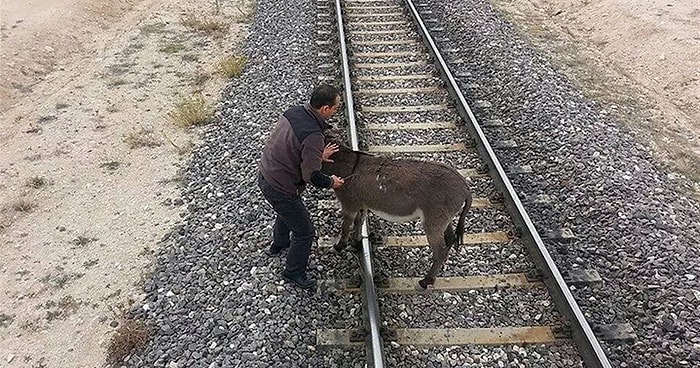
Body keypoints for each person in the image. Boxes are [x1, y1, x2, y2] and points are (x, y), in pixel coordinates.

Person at [257, 84, 345, 290]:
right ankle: (293, 272)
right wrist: (332, 181)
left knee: (286, 212)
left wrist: (315, 155)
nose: (336, 110)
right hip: (280, 186)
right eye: (335, 107)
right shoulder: (313, 136)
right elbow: (312, 176)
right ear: (324, 109)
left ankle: (279, 244)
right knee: (305, 231)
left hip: (266, 174)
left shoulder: (293, 112)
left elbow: (291, 145)